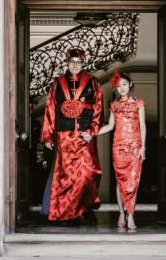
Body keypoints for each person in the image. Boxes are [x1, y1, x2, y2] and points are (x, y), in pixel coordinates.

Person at [40, 47, 103, 224]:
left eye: (78, 62)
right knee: (67, 177)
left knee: (88, 174)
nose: (75, 65)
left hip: (85, 137)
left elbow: (98, 109)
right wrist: (47, 136)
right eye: (71, 62)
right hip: (65, 136)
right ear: (67, 63)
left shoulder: (93, 82)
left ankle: (85, 208)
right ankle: (68, 213)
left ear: (83, 63)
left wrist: (92, 131)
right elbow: (50, 110)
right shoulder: (57, 83)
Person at [86, 72, 146, 230]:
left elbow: (143, 126)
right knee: (120, 182)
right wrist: (92, 133)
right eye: (119, 86)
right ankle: (121, 213)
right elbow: (110, 126)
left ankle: (131, 214)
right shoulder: (113, 105)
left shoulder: (139, 103)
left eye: (125, 84)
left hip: (135, 147)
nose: (122, 88)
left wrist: (143, 147)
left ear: (130, 84)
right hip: (118, 148)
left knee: (133, 183)